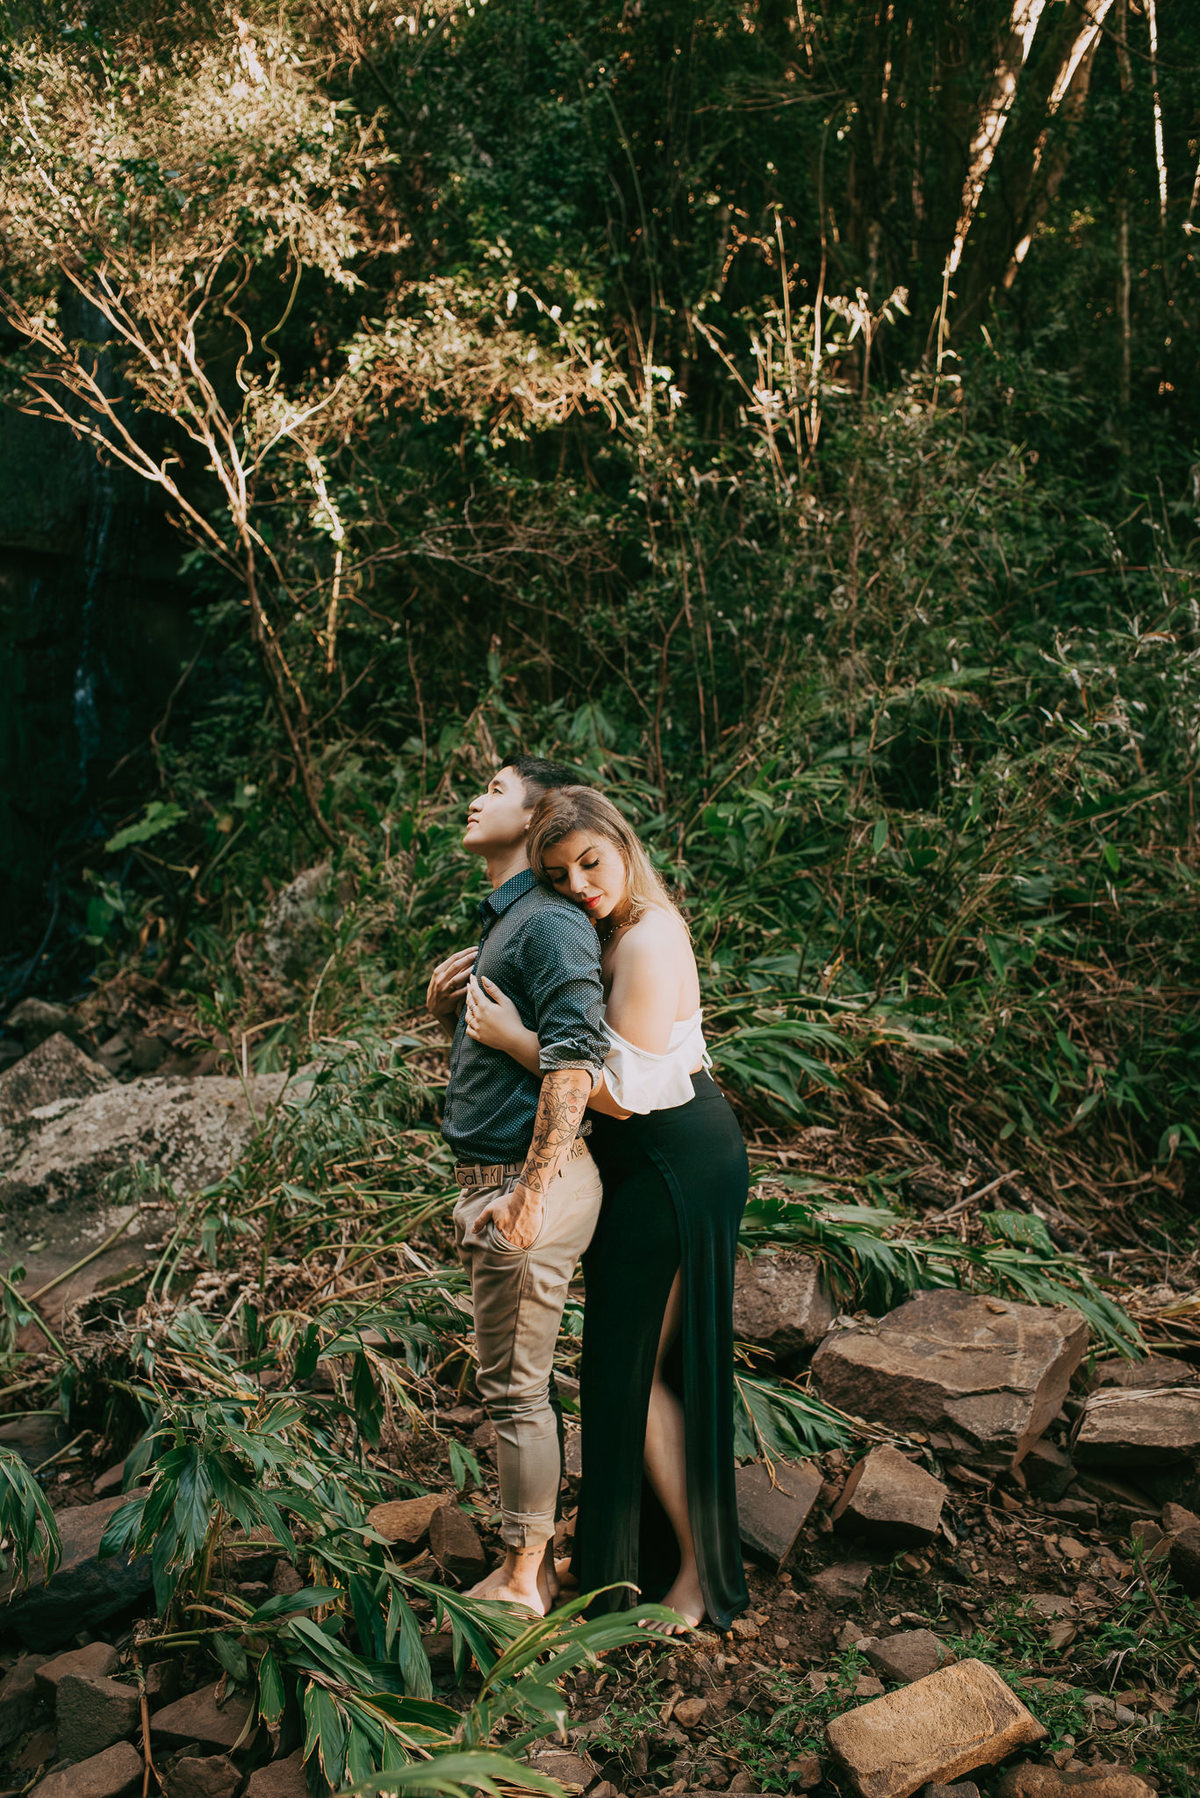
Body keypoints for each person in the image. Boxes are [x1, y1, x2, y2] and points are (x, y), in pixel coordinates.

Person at [463, 786, 749, 1634]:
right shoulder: (612, 926)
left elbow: (619, 1094)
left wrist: (517, 1041)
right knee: (627, 1373)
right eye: (561, 874)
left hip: (674, 1163)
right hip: (652, 1166)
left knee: (641, 1375)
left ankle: (697, 1580)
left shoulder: (652, 936)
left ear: (623, 844)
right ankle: (629, 1563)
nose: (582, 884)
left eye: (592, 861)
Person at [425, 758, 607, 1615]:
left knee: (514, 1391)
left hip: (528, 1180)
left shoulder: (547, 923)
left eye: (496, 789)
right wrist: (444, 1017)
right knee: (511, 1385)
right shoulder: (506, 924)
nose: (475, 797)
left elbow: (577, 1059)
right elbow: (505, 1060)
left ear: (539, 816)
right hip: (493, 1176)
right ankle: (532, 1554)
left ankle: (523, 1574)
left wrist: (530, 1195)